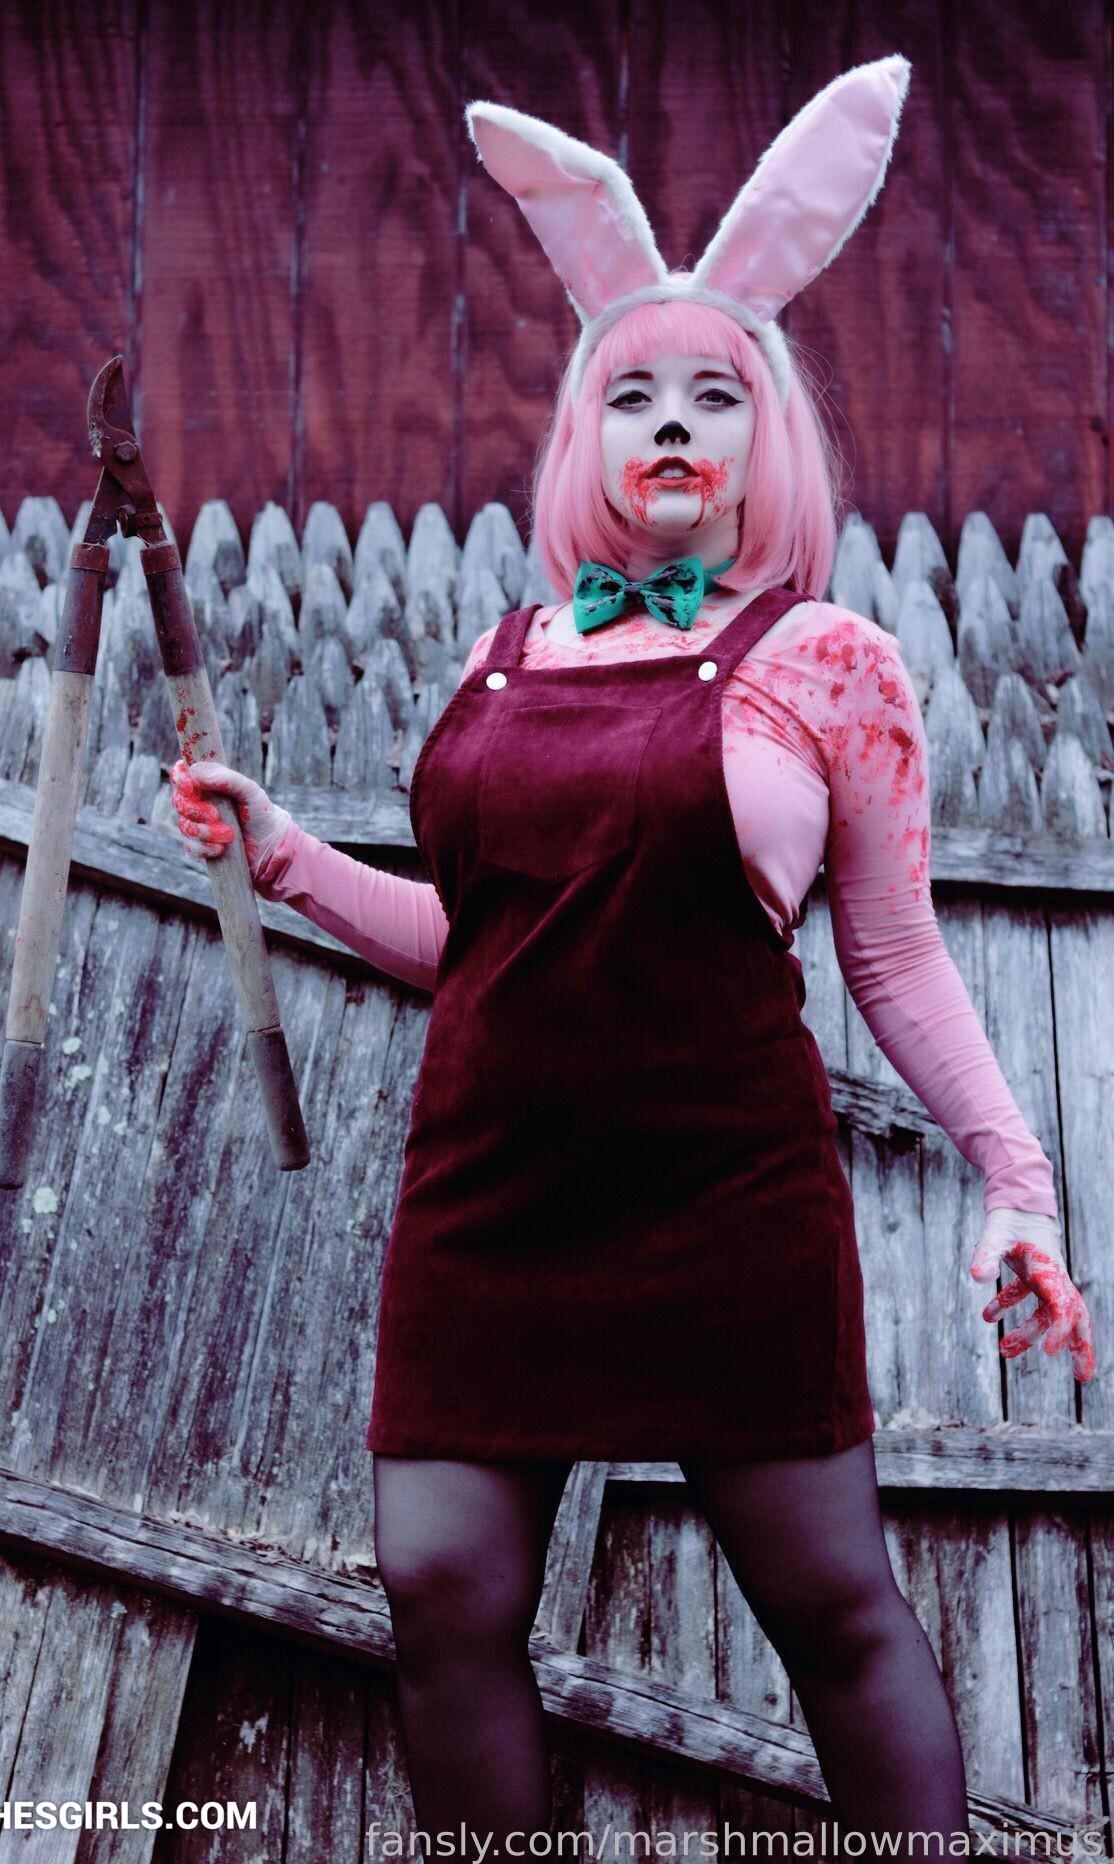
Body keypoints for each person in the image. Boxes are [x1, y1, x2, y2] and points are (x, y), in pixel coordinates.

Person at [167, 59, 1095, 1848]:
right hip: (490, 1198)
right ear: (583, 434)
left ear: (767, 438)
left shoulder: (829, 662)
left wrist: (1015, 1182)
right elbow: (480, 947)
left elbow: (894, 959)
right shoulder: (499, 655)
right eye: (634, 395)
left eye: (714, 396)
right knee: (441, 1592)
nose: (673, 426)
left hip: (720, 1201)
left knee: (827, 1606)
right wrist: (281, 854)